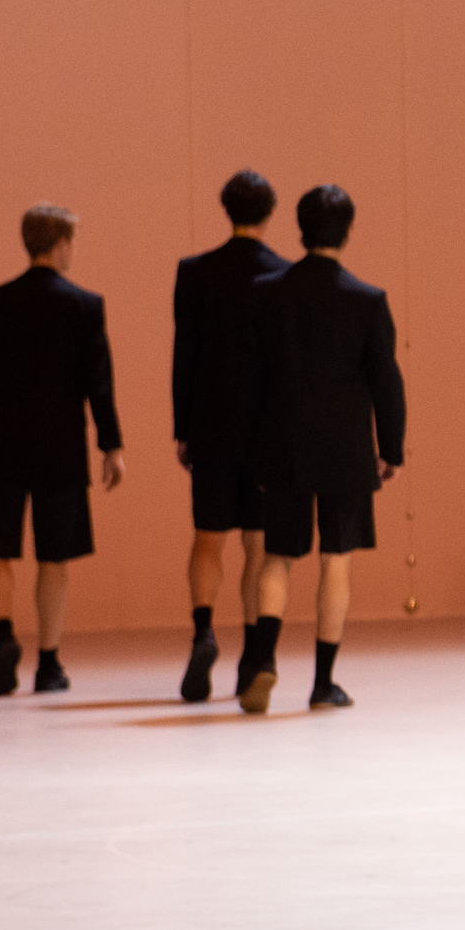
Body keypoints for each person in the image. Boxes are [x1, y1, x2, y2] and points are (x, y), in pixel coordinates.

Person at [237, 186, 406, 713]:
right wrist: (391, 448)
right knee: (337, 561)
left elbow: (251, 381)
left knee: (278, 557)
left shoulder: (267, 293)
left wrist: (252, 446)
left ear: (299, 228)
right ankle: (323, 683)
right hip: (346, 447)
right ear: (347, 231)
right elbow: (386, 381)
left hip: (283, 442)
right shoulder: (366, 298)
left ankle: (263, 659)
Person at [0, 203, 123, 696]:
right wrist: (111, 444)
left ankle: (4, 635)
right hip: (60, 444)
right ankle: (49, 662)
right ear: (60, 244)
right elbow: (98, 383)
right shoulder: (83, 304)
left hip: (0, 444)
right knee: (55, 557)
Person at [171, 169, 291, 702]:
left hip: (211, 424)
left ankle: (202, 632)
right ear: (269, 213)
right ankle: (251, 655)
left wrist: (183, 426)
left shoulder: (195, 272)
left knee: (208, 537)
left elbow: (185, 354)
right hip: (265, 429)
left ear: (226, 210)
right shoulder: (284, 276)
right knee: (258, 546)